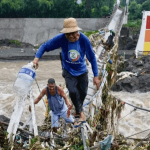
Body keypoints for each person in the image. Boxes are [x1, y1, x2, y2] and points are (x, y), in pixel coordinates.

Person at [33, 17, 100, 128]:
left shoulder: (84, 40)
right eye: (68, 34)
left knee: (83, 93)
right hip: (69, 71)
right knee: (73, 91)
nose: (71, 36)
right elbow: (45, 46)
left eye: (73, 33)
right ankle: (81, 115)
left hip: (82, 71)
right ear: (65, 34)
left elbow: (92, 58)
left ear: (77, 32)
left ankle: (78, 110)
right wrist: (36, 58)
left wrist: (96, 75)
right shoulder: (61, 39)